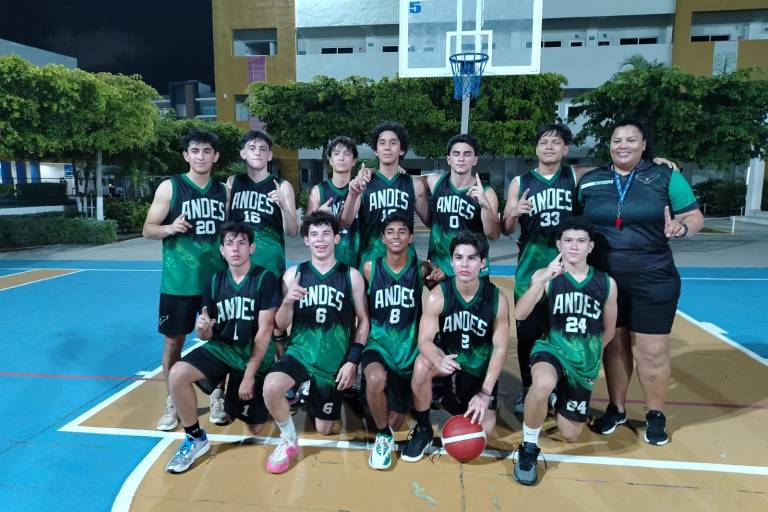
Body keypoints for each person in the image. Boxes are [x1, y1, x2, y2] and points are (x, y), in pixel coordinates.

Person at [502, 123, 677, 416]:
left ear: (565, 149)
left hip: (571, 268)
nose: (549, 147)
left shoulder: (577, 175)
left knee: (567, 327)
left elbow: (619, 166)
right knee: (528, 332)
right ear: (536, 148)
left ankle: (565, 388)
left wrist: (653, 163)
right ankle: (528, 387)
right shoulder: (520, 182)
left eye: (556, 143)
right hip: (532, 267)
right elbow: (507, 228)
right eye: (544, 142)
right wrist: (513, 214)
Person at [578, 118, 703, 446]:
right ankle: (617, 409)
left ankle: (655, 414)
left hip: (653, 278)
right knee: (614, 346)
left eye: (631, 140)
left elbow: (694, 216)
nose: (623, 145)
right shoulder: (591, 180)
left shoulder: (665, 175)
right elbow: (575, 224)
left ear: (644, 145)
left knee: (652, 351)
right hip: (605, 281)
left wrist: (682, 227)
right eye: (617, 140)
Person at [164, 222, 280, 473]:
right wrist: (203, 328)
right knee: (177, 374)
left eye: (241, 243)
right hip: (223, 349)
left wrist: (249, 376)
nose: (235, 249)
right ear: (222, 250)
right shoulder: (215, 281)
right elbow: (206, 335)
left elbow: (264, 332)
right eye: (229, 243)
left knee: (254, 428)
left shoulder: (265, 279)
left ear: (252, 248)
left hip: (253, 356)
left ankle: (241, 393)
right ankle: (195, 438)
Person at [262, 211, 370, 474]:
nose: (320, 240)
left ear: (336, 238)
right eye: (314, 234)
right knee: (271, 387)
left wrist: (352, 362)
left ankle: (310, 389)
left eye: (326, 234)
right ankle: (288, 438)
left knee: (325, 429)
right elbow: (279, 325)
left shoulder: (352, 276)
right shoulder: (293, 275)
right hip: (299, 353)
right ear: (306, 240)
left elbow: (364, 321)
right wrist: (288, 302)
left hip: (332, 363)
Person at [512, 218, 617, 485]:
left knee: (570, 434)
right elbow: (520, 314)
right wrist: (542, 280)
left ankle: (557, 396)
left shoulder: (606, 283)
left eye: (581, 241)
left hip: (582, 363)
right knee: (542, 382)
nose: (574, 246)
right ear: (559, 244)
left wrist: (592, 355)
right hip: (551, 349)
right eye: (568, 240)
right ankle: (528, 447)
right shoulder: (546, 276)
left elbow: (608, 330)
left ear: (590, 246)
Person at [142, 129, 227, 431]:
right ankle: (174, 400)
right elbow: (148, 228)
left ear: (215, 156)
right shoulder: (170, 187)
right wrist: (169, 228)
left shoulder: (224, 191)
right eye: (195, 151)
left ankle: (218, 396)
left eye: (207, 151)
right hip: (178, 281)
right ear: (186, 155)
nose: (201, 156)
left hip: (215, 282)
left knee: (221, 339)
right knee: (173, 341)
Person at [402, 231, 510, 462]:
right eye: (459, 258)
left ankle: (458, 397)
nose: (464, 264)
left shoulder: (497, 299)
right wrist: (438, 359)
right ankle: (423, 429)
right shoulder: (438, 295)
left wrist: (485, 393)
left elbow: (500, 349)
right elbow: (424, 340)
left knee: (484, 433)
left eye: (471, 258)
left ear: (482, 263)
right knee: (421, 365)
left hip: (478, 368)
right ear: (451, 262)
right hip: (450, 361)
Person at [361, 211, 445, 470]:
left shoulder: (421, 269)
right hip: (378, 345)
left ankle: (405, 402)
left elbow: (442, 299)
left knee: (396, 420)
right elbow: (361, 312)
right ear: (383, 238)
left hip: (408, 349)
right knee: (374, 379)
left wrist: (441, 277)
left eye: (402, 232)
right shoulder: (370, 268)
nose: (396, 236)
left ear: (411, 238)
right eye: (390, 232)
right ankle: (382, 437)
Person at [340, 121, 430, 266]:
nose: (387, 147)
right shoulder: (363, 182)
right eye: (382, 143)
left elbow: (432, 222)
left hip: (406, 264)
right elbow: (344, 223)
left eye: (393, 143)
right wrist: (352, 195)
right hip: (371, 263)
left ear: (402, 150)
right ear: (376, 150)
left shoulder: (414, 184)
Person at [426, 134, 501, 278]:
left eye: (467, 154)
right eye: (456, 154)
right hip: (439, 269)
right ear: (449, 159)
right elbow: (406, 181)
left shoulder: (487, 193)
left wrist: (485, 206)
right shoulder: (435, 182)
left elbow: (494, 234)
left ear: (475, 160)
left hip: (472, 272)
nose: (461, 158)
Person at [227, 130, 298, 278]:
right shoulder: (233, 182)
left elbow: (292, 231)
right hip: (238, 264)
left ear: (270, 155)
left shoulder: (283, 186)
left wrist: (283, 206)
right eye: (252, 148)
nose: (257, 152)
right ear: (243, 153)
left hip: (270, 265)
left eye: (263, 149)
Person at [306, 136, 360, 268]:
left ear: (354, 161)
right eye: (336, 153)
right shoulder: (318, 191)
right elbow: (306, 230)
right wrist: (318, 215)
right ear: (330, 160)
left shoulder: (360, 188)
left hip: (357, 261)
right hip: (327, 263)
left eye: (347, 154)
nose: (341, 158)